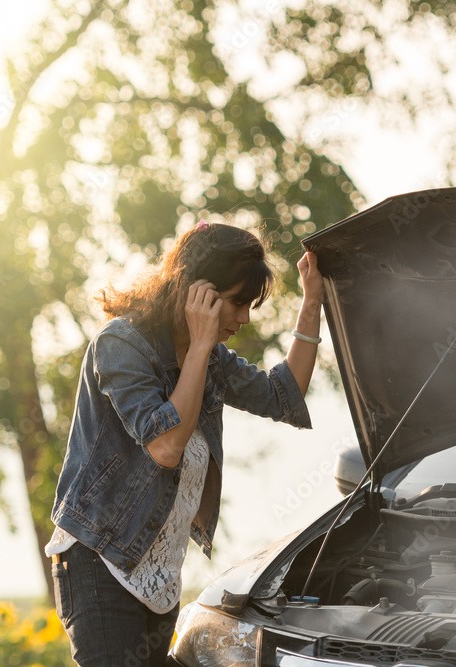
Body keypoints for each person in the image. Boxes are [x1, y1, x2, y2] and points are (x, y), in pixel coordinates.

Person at [45, 221, 322, 666]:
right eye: (236, 302)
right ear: (199, 293)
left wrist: (313, 301)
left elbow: (282, 397)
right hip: (101, 565)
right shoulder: (120, 345)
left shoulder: (208, 357)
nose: (245, 317)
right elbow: (166, 446)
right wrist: (199, 347)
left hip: (160, 578)